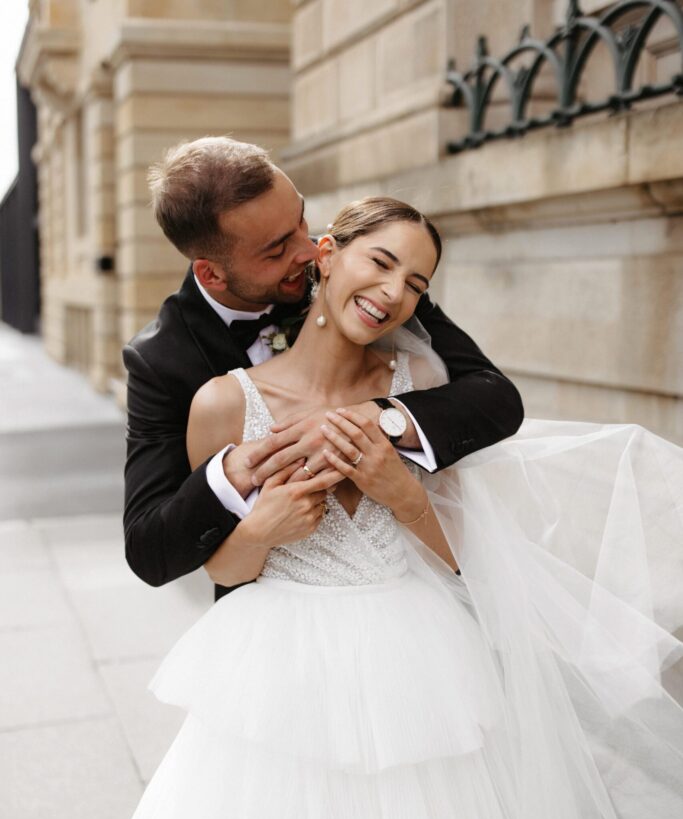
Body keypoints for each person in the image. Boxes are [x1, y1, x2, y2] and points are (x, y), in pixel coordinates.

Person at [115, 197, 683, 819]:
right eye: (378, 262)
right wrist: (262, 524)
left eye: (416, 282)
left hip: (419, 665)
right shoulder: (223, 404)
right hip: (282, 671)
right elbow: (225, 572)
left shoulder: (424, 390)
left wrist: (397, 491)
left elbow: (460, 563)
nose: (394, 292)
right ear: (325, 255)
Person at [122, 136, 524, 599]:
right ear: (212, 273)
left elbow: (496, 396)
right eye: (276, 250)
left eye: (300, 221)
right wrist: (237, 474)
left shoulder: (364, 275)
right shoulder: (163, 361)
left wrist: (370, 420)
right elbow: (151, 549)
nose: (308, 251)